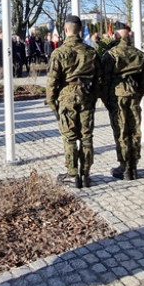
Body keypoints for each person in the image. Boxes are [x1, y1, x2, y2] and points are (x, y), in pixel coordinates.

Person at [46, 15, 101, 189]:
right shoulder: (91, 52)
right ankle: (85, 175)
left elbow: (52, 81)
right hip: (86, 96)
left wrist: (51, 102)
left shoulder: (59, 52)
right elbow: (100, 78)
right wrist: (94, 96)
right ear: (80, 30)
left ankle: (72, 174)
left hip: (67, 97)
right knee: (86, 137)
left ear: (66, 30)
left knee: (69, 137)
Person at [102, 22, 144, 181]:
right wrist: (138, 94)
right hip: (134, 96)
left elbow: (104, 81)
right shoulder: (139, 54)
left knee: (121, 131)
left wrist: (106, 100)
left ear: (115, 35)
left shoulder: (110, 55)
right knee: (134, 130)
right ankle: (133, 166)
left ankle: (125, 167)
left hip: (117, 97)